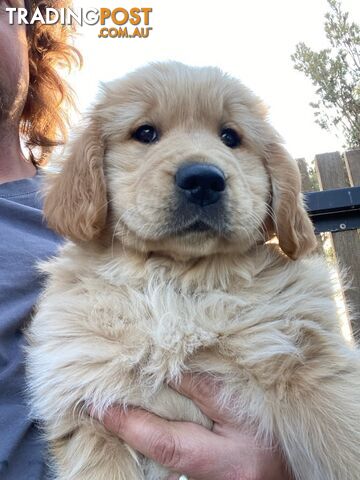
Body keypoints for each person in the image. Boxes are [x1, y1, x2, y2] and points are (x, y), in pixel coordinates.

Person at [0, 1, 291, 479]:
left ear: (28, 27)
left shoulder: (100, 220)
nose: (200, 165)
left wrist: (289, 466)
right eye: (147, 132)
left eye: (231, 136)